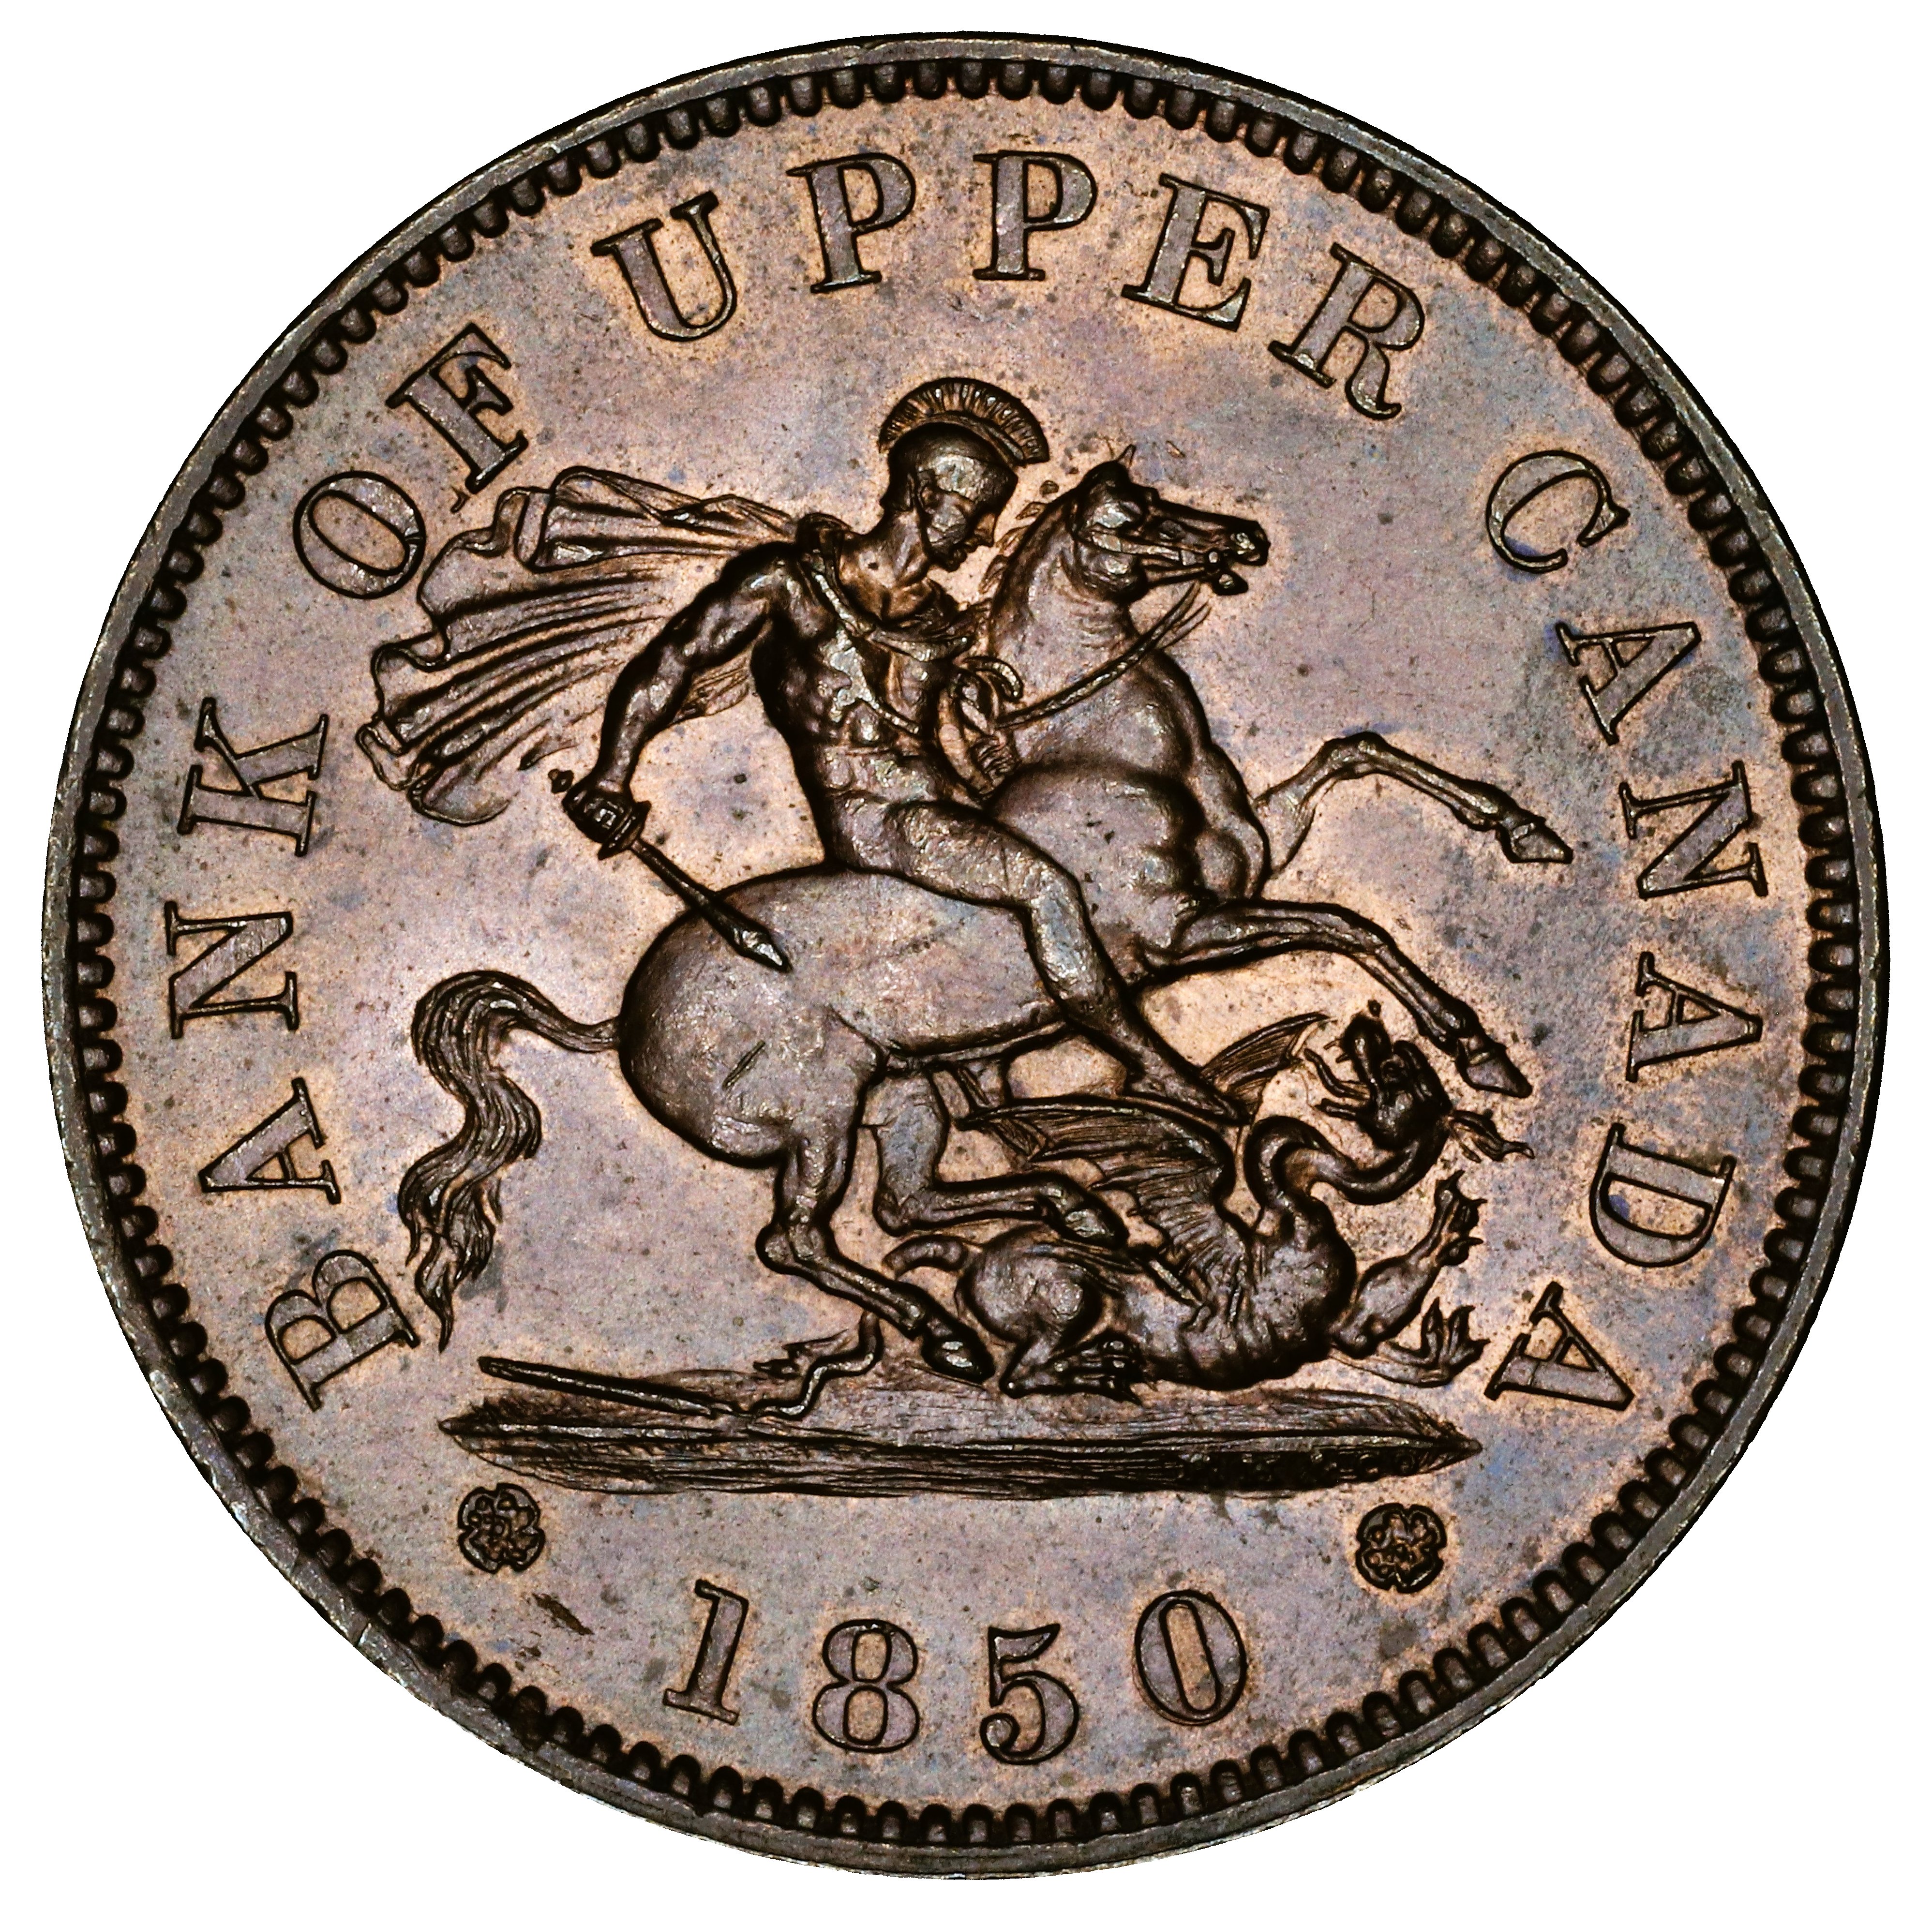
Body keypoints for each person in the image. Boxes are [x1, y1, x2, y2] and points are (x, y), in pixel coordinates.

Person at [564, 377, 1236, 1123]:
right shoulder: (790, 586)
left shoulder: (940, 619)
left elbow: (948, 734)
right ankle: (1150, 1069)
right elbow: (674, 660)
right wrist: (611, 775)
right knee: (1044, 888)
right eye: (977, 512)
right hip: (878, 822)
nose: (985, 534)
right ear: (923, 494)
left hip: (943, 805)